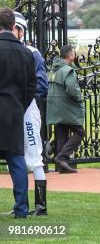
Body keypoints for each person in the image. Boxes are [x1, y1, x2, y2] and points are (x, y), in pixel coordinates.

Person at [0, 8, 37, 218]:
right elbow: (32, 85)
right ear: (14, 26)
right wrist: (20, 104)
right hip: (14, 111)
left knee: (16, 161)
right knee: (16, 162)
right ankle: (21, 208)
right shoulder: (25, 53)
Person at [13, 12, 49, 215]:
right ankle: (21, 204)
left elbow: (42, 85)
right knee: (15, 156)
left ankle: (41, 206)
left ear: (21, 30)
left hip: (27, 108)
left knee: (34, 154)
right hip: (14, 108)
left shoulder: (32, 52)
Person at [47, 44, 85, 173]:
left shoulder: (54, 69)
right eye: (74, 53)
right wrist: (80, 98)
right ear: (70, 56)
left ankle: (62, 166)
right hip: (67, 107)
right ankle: (62, 157)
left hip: (56, 107)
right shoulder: (68, 70)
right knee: (80, 132)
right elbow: (72, 89)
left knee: (62, 134)